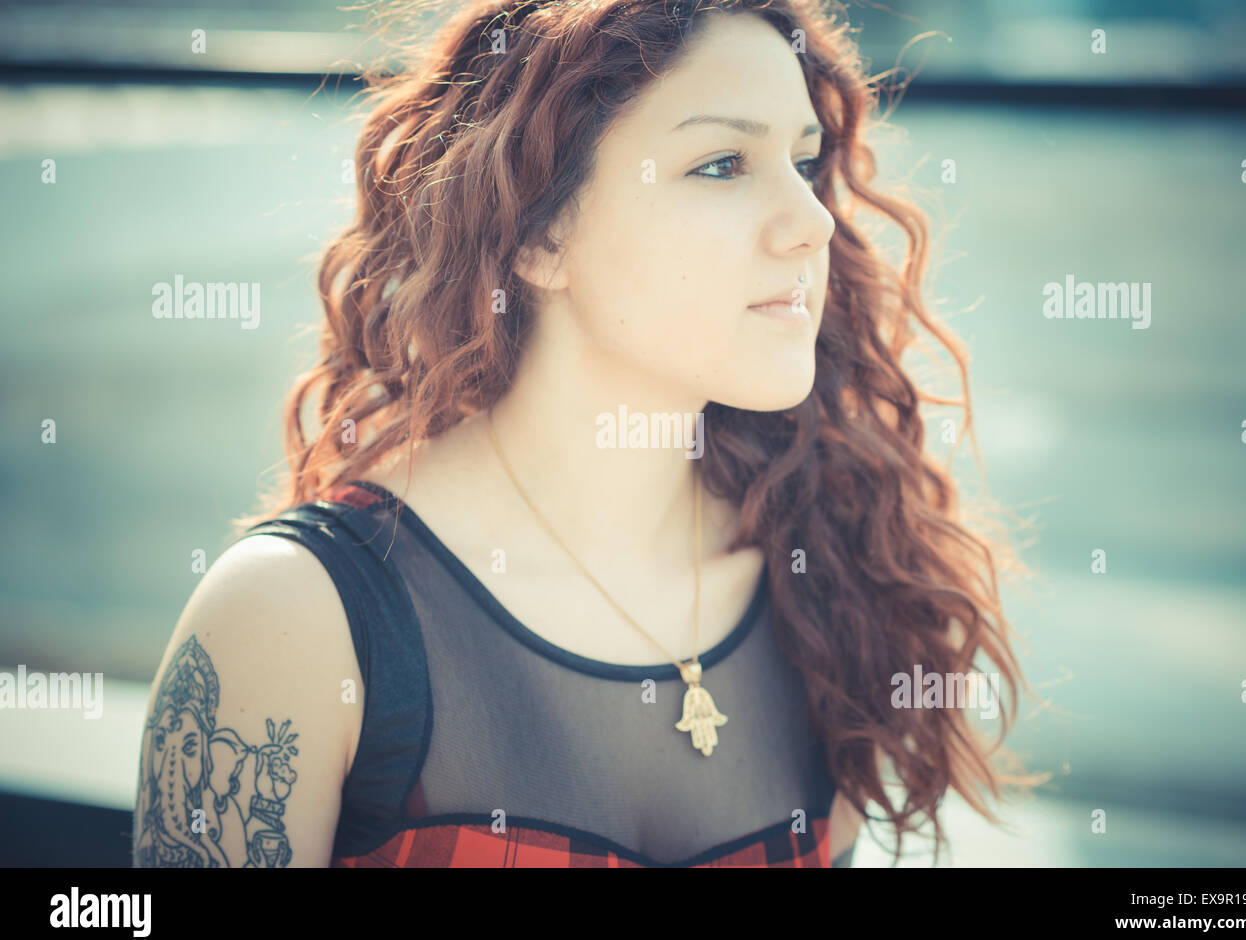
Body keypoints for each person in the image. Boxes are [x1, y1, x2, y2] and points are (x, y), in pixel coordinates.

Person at [133, 0, 1046, 869]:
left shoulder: (831, 586)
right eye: (723, 163)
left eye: (805, 163)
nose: (812, 222)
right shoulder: (298, 620)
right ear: (538, 235)